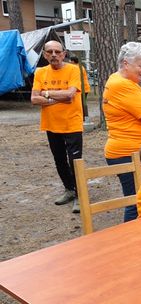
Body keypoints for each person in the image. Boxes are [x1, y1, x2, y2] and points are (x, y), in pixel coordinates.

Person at [103, 41, 141, 222]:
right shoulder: (122, 85)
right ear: (126, 63)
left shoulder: (128, 83)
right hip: (128, 153)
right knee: (136, 202)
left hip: (134, 151)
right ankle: (130, 243)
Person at [31, 40, 83, 213]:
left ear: (64, 53)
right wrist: (57, 97)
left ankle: (80, 196)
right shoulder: (40, 72)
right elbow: (34, 99)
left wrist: (45, 94)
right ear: (45, 54)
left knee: (74, 161)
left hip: (72, 123)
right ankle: (69, 190)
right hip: (51, 124)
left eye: (57, 52)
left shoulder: (74, 69)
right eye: (50, 52)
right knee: (59, 160)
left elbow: (70, 94)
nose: (54, 55)